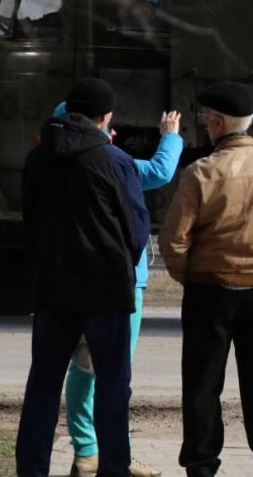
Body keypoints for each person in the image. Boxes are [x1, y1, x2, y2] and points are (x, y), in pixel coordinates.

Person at [158, 81, 253, 477]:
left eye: (208, 118)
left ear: (219, 122)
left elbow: (174, 239)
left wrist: (189, 277)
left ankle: (202, 464)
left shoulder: (200, 173)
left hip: (209, 292)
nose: (205, 124)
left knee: (202, 386)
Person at [17, 77, 149, 477]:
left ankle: (32, 468)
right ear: (105, 117)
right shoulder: (114, 161)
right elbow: (137, 230)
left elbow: (30, 224)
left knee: (43, 383)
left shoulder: (37, 159)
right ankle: (114, 468)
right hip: (105, 290)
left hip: (53, 290)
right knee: (112, 386)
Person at [60, 105, 183, 477]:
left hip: (73, 279)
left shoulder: (54, 164)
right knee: (113, 375)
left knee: (82, 367)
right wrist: (171, 135)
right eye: (106, 126)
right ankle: (111, 457)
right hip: (122, 283)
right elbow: (161, 172)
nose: (111, 134)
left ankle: (87, 452)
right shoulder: (114, 163)